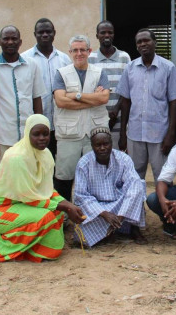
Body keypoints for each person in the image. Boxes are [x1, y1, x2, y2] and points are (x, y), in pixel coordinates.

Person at [0, 114, 85, 262]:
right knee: (46, 216)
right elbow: (28, 197)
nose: (42, 138)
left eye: (45, 134)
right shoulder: (16, 157)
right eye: (36, 134)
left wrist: (68, 204)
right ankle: (3, 244)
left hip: (20, 204)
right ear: (27, 134)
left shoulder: (45, 154)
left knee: (56, 215)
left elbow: (46, 191)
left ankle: (25, 245)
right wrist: (65, 206)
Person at [116, 29, 176, 181]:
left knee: (163, 176)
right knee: (134, 176)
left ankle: (162, 205)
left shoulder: (168, 67)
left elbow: (174, 101)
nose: (143, 44)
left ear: (155, 43)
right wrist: (123, 134)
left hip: (160, 133)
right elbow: (125, 102)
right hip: (135, 133)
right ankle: (137, 205)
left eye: (146, 40)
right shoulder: (130, 68)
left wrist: (171, 133)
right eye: (139, 42)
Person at [0, 25, 45, 181]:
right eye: (6, 39)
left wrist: (41, 131)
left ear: (20, 42)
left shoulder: (32, 65)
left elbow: (37, 99)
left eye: (14, 38)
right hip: (1, 135)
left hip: (27, 136)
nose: (10, 42)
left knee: (27, 179)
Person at [52, 35, 110, 201]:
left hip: (95, 132)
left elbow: (104, 99)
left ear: (89, 51)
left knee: (95, 176)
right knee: (64, 176)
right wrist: (92, 99)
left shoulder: (99, 73)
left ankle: (93, 213)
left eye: (82, 50)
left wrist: (76, 95)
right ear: (70, 52)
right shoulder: (61, 74)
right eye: (75, 50)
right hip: (68, 133)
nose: (79, 53)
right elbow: (61, 101)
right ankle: (64, 215)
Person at [74, 127, 147, 247]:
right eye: (98, 145)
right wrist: (104, 213)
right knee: (82, 237)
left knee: (138, 185)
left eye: (106, 144)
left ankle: (133, 229)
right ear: (92, 146)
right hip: (97, 208)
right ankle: (110, 231)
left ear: (111, 144)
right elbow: (81, 195)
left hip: (121, 206)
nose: (102, 148)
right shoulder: (84, 163)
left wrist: (120, 216)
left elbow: (134, 184)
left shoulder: (123, 159)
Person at [22, 18, 72, 159]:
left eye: (48, 32)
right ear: (35, 34)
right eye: (41, 32)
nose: (44, 35)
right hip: (36, 126)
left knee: (59, 163)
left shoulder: (64, 59)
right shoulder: (25, 59)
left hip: (61, 123)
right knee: (36, 161)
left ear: (54, 33)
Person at [88, 20, 131, 147]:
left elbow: (128, 88)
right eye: (103, 33)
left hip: (120, 119)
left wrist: (116, 109)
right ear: (97, 36)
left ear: (113, 35)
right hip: (96, 118)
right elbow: (88, 89)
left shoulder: (125, 57)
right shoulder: (90, 58)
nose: (106, 35)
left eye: (110, 32)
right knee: (99, 154)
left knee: (117, 155)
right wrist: (103, 112)